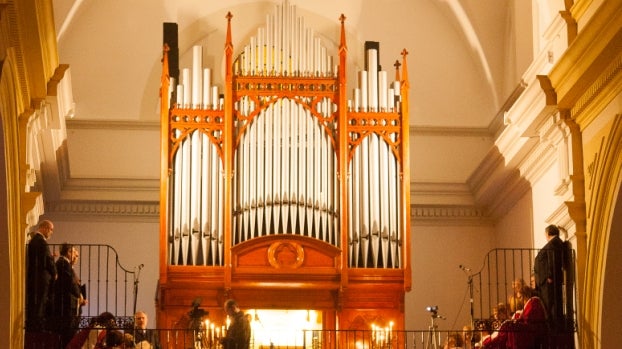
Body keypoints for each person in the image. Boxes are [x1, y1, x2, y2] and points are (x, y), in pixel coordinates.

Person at [534, 224, 571, 332]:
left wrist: (549, 276)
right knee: (549, 308)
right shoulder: (554, 243)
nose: (545, 236)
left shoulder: (553, 244)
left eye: (545, 234)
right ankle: (553, 328)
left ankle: (554, 329)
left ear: (548, 233)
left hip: (549, 283)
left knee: (551, 308)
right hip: (546, 283)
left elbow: (553, 260)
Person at [26, 219, 58, 331]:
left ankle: (36, 325)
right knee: (39, 304)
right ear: (44, 227)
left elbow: (42, 259)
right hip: (41, 279)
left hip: (36, 278)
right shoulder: (41, 242)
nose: (51, 232)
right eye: (51, 229)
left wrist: (50, 258)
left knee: (37, 303)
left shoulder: (35, 240)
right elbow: (47, 261)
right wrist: (55, 273)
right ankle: (36, 328)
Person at [53, 243, 84, 347]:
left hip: (68, 306)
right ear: (68, 252)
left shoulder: (65, 264)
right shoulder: (62, 263)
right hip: (65, 307)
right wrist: (80, 295)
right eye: (74, 253)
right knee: (67, 337)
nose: (76, 256)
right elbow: (70, 282)